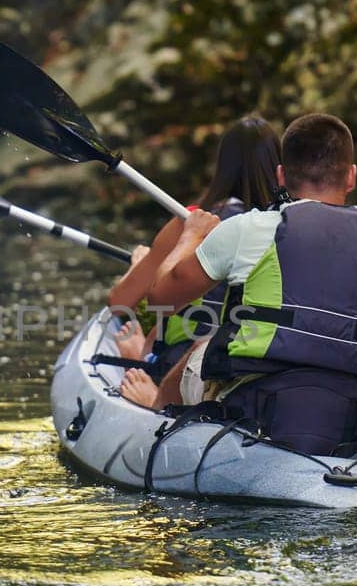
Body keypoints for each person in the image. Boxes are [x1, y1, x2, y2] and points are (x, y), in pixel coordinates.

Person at [145, 113, 357, 454]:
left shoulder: (244, 229)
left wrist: (189, 236)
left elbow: (159, 298)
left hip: (253, 400)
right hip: (349, 407)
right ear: (351, 176)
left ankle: (152, 419)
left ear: (281, 175)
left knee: (198, 348)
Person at [107, 117, 281, 410]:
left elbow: (120, 303)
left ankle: (144, 360)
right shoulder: (287, 228)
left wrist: (138, 265)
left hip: (181, 360)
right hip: (258, 360)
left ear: (221, 167)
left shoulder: (191, 221)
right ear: (280, 168)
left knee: (156, 327)